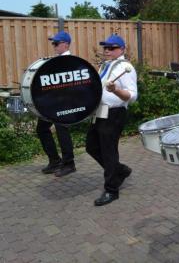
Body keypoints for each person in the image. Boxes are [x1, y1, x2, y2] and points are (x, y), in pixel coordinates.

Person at [86, 34, 138, 206]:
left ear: (122, 49)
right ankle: (120, 170)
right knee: (91, 146)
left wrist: (115, 90)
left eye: (112, 48)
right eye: (105, 48)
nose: (107, 51)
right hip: (100, 112)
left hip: (114, 113)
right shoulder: (106, 66)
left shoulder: (125, 67)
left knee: (109, 151)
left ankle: (111, 190)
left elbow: (132, 96)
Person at [38, 31, 76, 177]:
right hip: (53, 102)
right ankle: (54, 161)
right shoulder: (56, 60)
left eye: (56, 43)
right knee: (42, 128)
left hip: (64, 103)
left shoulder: (70, 61)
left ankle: (69, 163)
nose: (53, 46)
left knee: (62, 130)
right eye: (53, 43)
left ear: (65, 44)